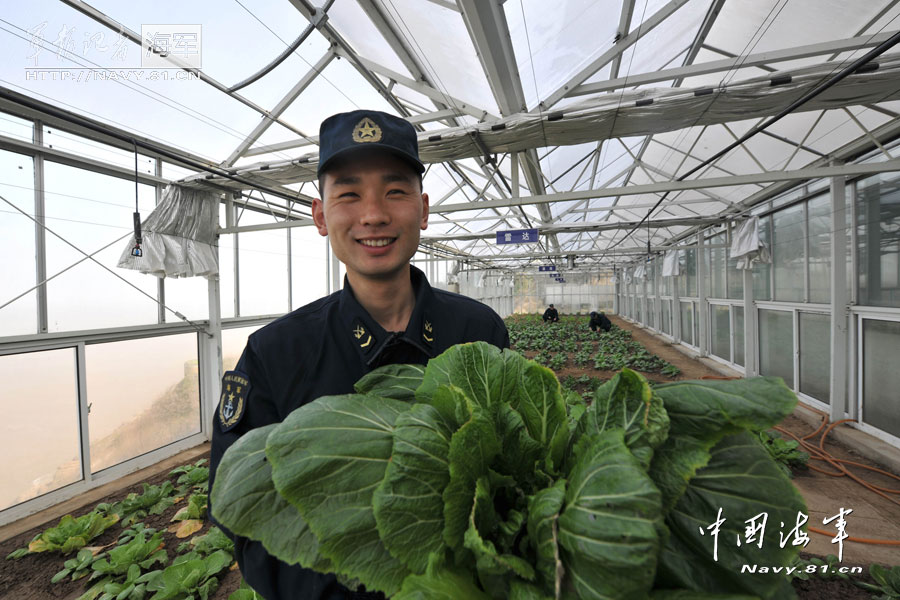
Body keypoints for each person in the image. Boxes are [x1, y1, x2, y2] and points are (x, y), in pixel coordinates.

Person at [208, 109, 509, 600]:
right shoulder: (275, 354)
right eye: (349, 194)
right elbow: (242, 512)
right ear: (321, 216)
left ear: (424, 210)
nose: (373, 214)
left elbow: (511, 475)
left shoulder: (480, 333)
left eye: (395, 191)